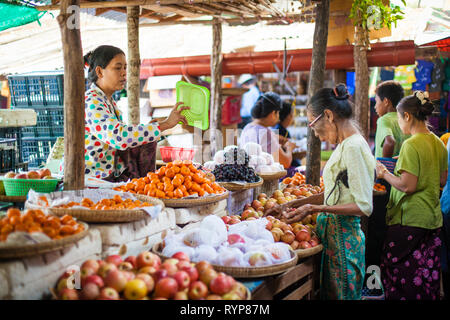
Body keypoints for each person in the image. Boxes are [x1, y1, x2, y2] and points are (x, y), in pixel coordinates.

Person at [280, 84, 375, 300]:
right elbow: (336, 193)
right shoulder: (346, 145)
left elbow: (364, 206)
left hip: (344, 241)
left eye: (313, 125)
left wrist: (315, 207)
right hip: (334, 238)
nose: (315, 134)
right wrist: (294, 204)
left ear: (329, 116)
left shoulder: (353, 147)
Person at [376, 91, 448, 300]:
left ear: (407, 116)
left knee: (399, 273)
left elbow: (407, 186)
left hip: (409, 219)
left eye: (399, 119)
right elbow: (442, 180)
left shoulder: (411, 144)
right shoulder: (438, 142)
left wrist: (384, 174)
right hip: (432, 219)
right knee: (425, 274)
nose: (399, 124)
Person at [84, 45, 188, 180]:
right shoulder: (92, 101)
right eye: (117, 67)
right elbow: (119, 137)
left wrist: (151, 129)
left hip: (107, 176)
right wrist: (165, 125)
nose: (123, 73)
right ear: (99, 72)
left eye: (125, 68)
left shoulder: (108, 101)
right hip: (92, 179)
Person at [239, 92, 296, 170]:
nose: (279, 117)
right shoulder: (266, 133)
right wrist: (290, 148)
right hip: (264, 179)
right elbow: (285, 163)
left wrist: (275, 139)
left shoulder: (247, 128)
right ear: (273, 113)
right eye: (278, 113)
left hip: (250, 177)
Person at [374, 80, 409, 159]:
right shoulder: (406, 119)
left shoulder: (384, 120)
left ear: (386, 101)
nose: (375, 106)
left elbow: (390, 142)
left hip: (387, 170)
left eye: (376, 101)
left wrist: (385, 167)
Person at [272, 101, 301, 176]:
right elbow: (284, 162)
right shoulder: (277, 130)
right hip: (284, 167)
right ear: (288, 116)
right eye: (292, 115)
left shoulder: (280, 130)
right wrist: (290, 147)